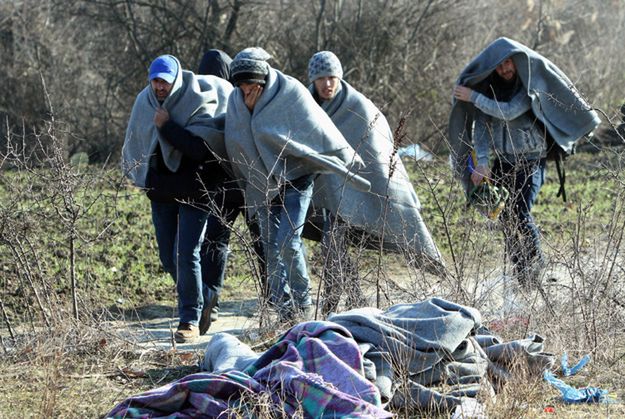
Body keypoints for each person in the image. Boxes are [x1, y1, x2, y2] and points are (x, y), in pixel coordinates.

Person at [224, 47, 370, 321]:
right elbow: (237, 138)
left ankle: (303, 303)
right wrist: (250, 112)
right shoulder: (235, 101)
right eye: (241, 86)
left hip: (297, 177)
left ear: (262, 79)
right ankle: (284, 310)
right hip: (261, 182)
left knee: (288, 241)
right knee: (268, 245)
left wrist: (345, 157)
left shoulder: (289, 92)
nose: (246, 91)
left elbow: (317, 129)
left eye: (251, 85)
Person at [449, 37, 600, 287]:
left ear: (516, 62)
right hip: (503, 162)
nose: (505, 69)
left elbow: (508, 110)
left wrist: (473, 97)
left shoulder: (528, 88)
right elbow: (482, 129)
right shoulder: (488, 90)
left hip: (531, 160)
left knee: (519, 211)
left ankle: (536, 261)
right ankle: (522, 271)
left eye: (509, 63)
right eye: (499, 66)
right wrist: (483, 162)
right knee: (504, 217)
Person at [307, 51, 445, 314]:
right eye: (321, 78)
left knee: (332, 243)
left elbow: (377, 152)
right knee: (331, 245)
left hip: (361, 189)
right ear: (312, 80)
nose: (327, 84)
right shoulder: (307, 105)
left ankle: (335, 304)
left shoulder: (358, 107)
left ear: (339, 77)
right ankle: (348, 300)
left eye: (332, 77)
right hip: (327, 190)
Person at [122, 54, 233, 342]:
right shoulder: (143, 102)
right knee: (168, 259)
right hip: (161, 191)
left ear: (176, 81)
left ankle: (189, 321)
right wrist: (143, 179)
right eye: (155, 81)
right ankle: (206, 296)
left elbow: (199, 149)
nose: (160, 88)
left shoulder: (195, 99)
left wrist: (167, 126)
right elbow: (135, 143)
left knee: (187, 255)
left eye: (165, 82)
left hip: (196, 188)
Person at [196, 49, 266, 331]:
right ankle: (271, 296)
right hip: (249, 181)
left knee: (215, 241)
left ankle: (209, 297)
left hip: (220, 185)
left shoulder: (197, 100)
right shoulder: (243, 97)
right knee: (261, 240)